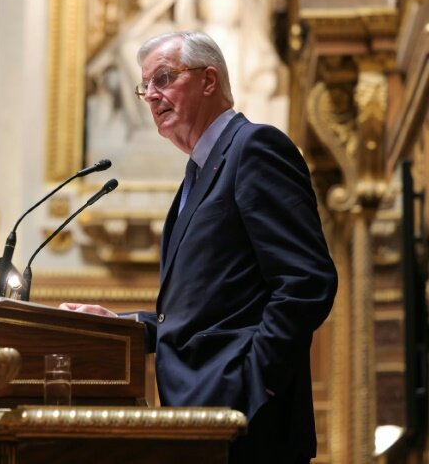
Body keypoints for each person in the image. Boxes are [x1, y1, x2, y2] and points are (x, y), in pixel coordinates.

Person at [60, 31, 337, 464]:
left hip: (246, 427)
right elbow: (203, 315)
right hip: (196, 423)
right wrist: (122, 326)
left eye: (164, 79)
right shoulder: (196, 176)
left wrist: (253, 384)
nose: (151, 96)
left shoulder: (255, 148)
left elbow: (306, 281)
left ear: (209, 81)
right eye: (145, 86)